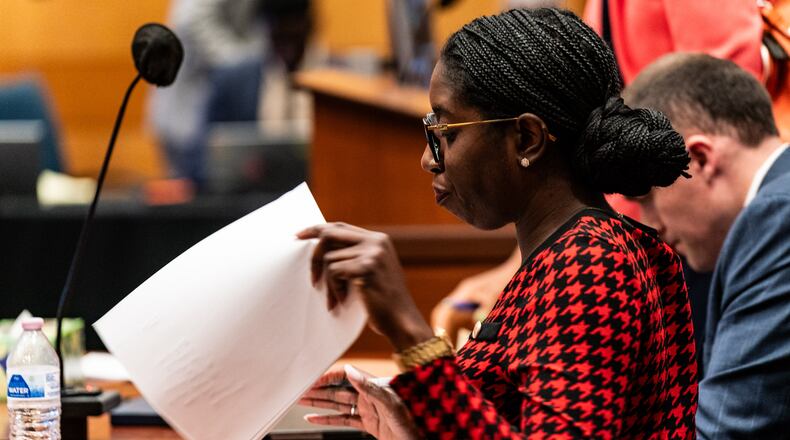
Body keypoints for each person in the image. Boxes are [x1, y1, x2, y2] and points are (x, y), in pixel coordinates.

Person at [297, 8, 698, 438]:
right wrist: (412, 420)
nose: (429, 159)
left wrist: (409, 330)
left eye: (445, 132)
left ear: (527, 138)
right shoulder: (590, 250)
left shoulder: (590, 264)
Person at [624, 53, 790, 439]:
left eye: (647, 196)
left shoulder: (777, 219)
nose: (651, 224)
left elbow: (722, 431)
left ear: (699, 158)